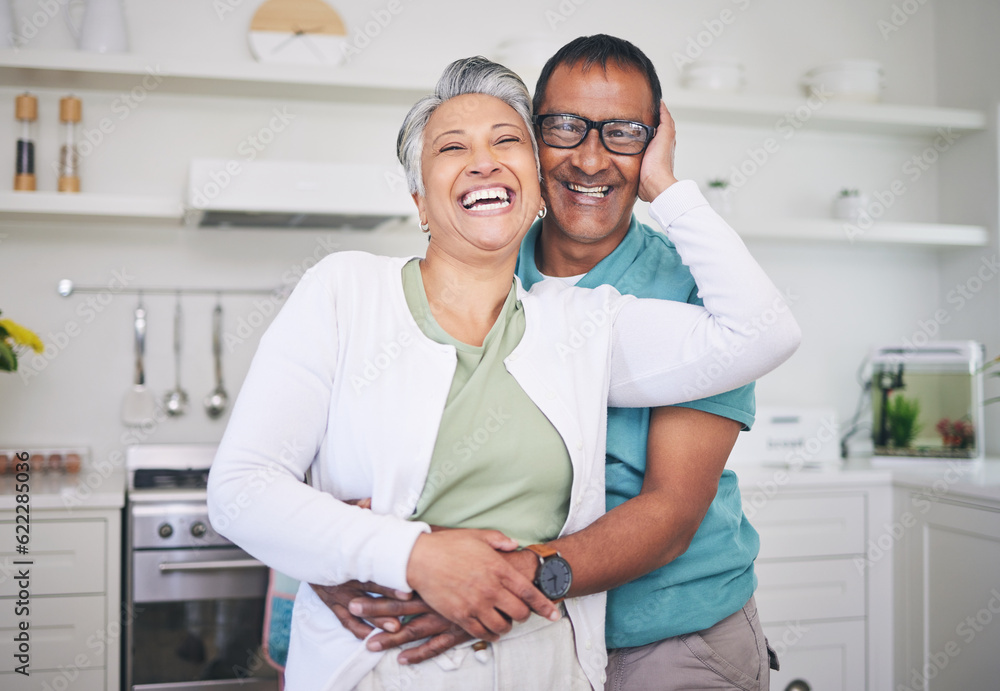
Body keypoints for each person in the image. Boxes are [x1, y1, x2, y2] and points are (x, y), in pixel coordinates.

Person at [207, 55, 799, 691]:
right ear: (419, 200)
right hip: (380, 667)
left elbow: (761, 334)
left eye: (505, 140)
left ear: (535, 185)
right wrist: (392, 553)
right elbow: (245, 488)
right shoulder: (345, 291)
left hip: (585, 651)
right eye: (452, 147)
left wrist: (669, 188)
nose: (484, 160)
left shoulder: (582, 324)